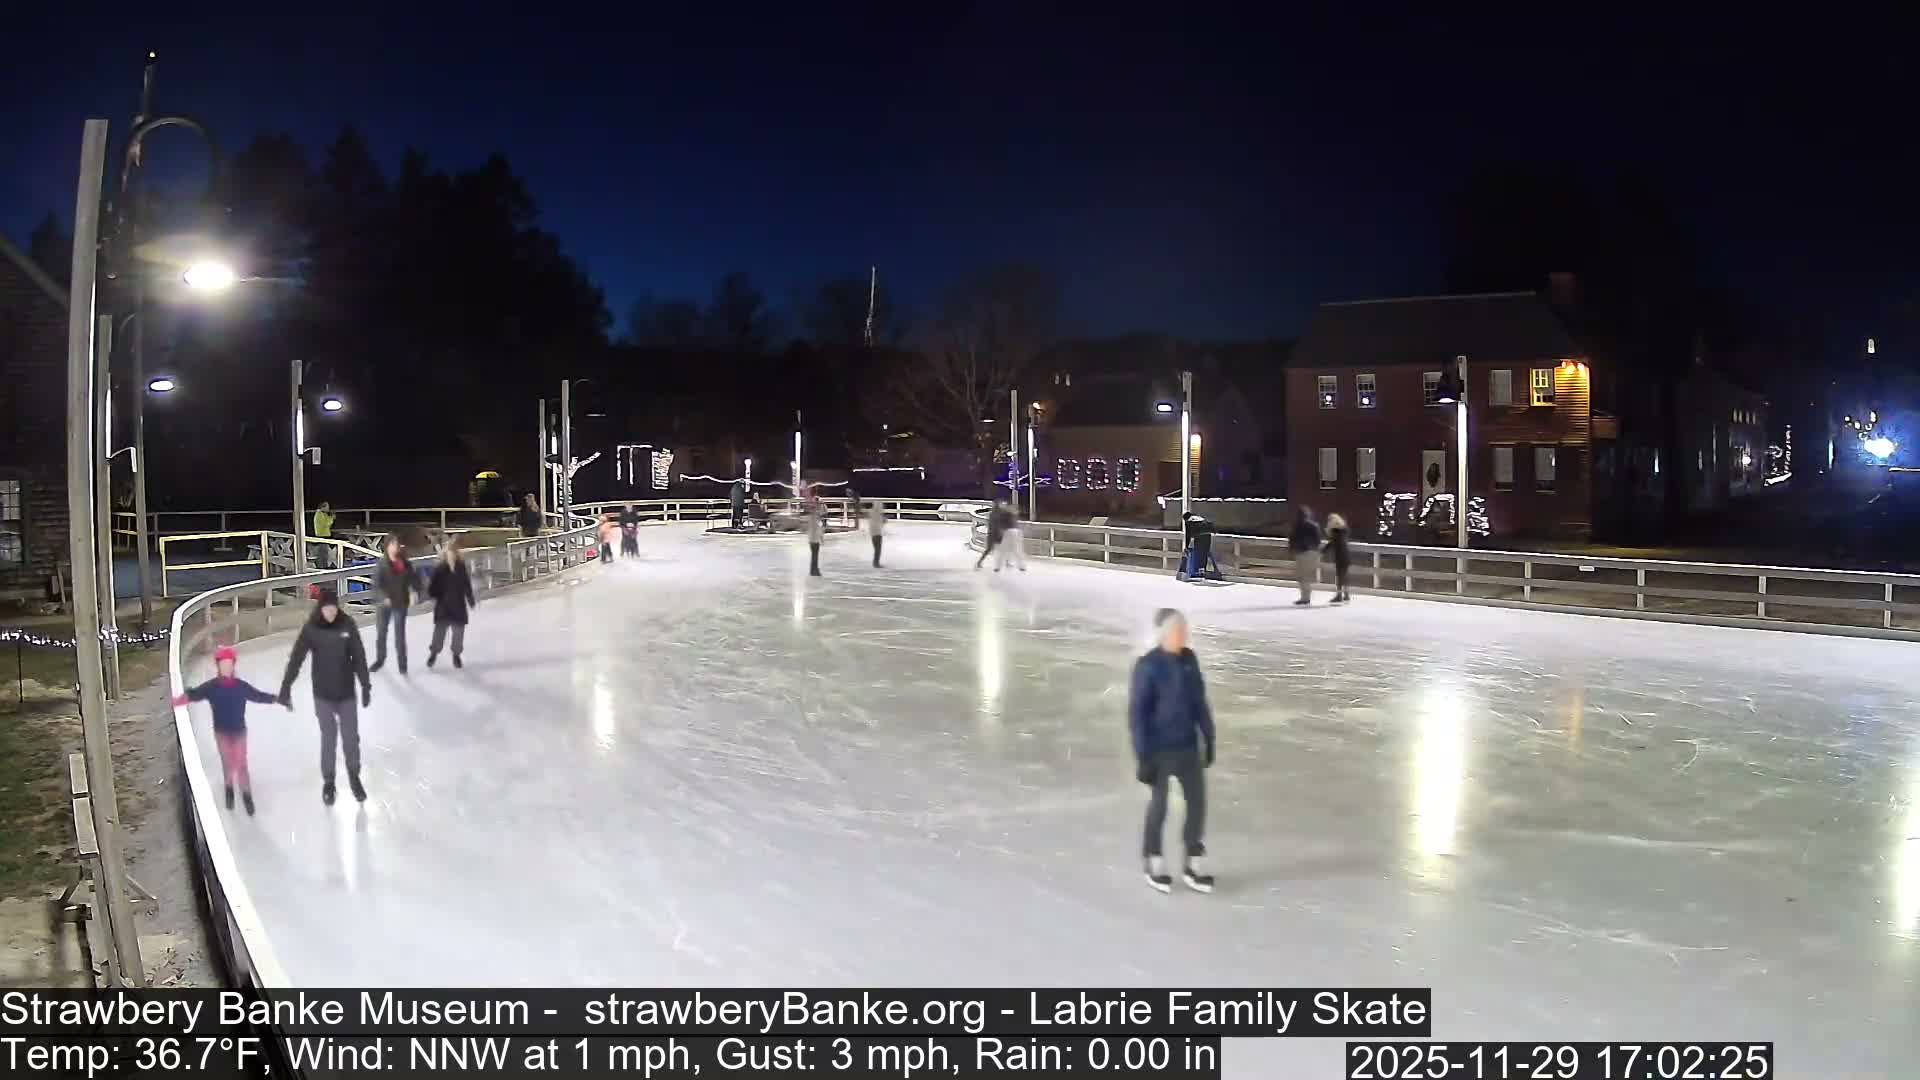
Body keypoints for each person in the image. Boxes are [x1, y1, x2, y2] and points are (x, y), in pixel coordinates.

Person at [1129, 608, 1215, 894]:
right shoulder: (1148, 666)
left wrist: (1209, 737)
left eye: (1185, 630)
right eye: (1179, 631)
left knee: (1197, 804)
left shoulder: (1189, 660)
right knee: (1160, 806)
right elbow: (1138, 715)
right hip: (1160, 750)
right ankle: (1153, 859)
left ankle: (1193, 861)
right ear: (1165, 635)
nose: (1184, 635)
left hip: (1187, 746)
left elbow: (1199, 702)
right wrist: (1143, 756)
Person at [278, 586, 372, 806]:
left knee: (351, 738)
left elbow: (359, 655)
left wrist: (365, 685)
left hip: (346, 692)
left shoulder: (347, 624)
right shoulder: (312, 628)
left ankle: (354, 777)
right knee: (328, 738)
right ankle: (329, 782)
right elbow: (297, 658)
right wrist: (286, 687)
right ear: (320, 608)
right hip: (323, 695)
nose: (330, 612)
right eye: (326, 608)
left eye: (333, 608)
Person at [174, 645, 288, 815]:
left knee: (241, 764)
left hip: (239, 732)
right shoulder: (211, 687)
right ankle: (229, 789)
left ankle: (246, 794)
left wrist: (277, 699)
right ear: (218, 666)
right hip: (221, 733)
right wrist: (178, 700)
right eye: (223, 664)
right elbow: (194, 694)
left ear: (233, 665)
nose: (226, 667)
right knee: (227, 763)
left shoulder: (241, 687)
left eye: (229, 664)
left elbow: (258, 696)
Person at [370, 535, 424, 674]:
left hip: (400, 603)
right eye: (392, 544)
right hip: (384, 605)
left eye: (397, 545)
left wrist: (414, 592)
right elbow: (376, 586)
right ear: (387, 547)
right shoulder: (381, 565)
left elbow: (416, 580)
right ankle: (380, 660)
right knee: (381, 633)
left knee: (400, 635)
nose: (395, 547)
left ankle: (402, 664)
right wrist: (384, 598)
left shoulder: (405, 563)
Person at [427, 544, 477, 669]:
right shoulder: (440, 569)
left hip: (458, 606)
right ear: (445, 555)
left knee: (458, 634)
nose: (451, 556)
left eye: (453, 553)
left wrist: (470, 599)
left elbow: (466, 584)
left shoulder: (461, 568)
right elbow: (432, 587)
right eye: (449, 554)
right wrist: (434, 594)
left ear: (456, 554)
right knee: (439, 634)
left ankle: (456, 655)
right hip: (443, 606)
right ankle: (434, 653)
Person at [1289, 505, 1323, 606]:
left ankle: (1305, 597)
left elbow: (1292, 539)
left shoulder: (1297, 526)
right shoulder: (1314, 526)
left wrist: (1292, 549)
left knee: (1302, 577)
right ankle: (1306, 597)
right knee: (1308, 576)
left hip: (1301, 552)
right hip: (1312, 552)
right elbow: (1318, 541)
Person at [1324, 512, 1352, 604]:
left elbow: (1331, 543)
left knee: (1339, 576)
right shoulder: (1344, 530)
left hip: (1340, 556)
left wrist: (1322, 551)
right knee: (1345, 575)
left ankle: (1339, 595)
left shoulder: (1335, 532)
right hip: (1346, 555)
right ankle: (1346, 594)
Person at [993, 501, 1028, 572]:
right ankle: (1021, 566)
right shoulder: (1011, 513)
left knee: (1003, 550)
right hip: (1015, 531)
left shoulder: (1005, 513)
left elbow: (1001, 524)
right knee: (1016, 549)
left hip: (1009, 532)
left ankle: (998, 567)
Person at [975, 504, 1005, 570]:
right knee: (996, 549)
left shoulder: (992, 515)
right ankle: (980, 562)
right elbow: (997, 526)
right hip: (994, 534)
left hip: (992, 534)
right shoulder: (997, 515)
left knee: (991, 549)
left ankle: (979, 562)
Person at [311, 502, 336, 568]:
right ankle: (321, 566)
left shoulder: (324, 514)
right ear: (323, 507)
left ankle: (324, 565)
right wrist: (332, 518)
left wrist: (331, 518)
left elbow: (328, 523)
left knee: (324, 552)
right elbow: (326, 524)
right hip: (321, 535)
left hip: (325, 534)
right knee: (322, 552)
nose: (328, 509)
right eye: (327, 507)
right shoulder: (319, 514)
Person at [806, 499, 826, 576]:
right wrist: (821, 539)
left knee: (814, 555)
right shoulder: (815, 517)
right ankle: (814, 570)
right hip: (814, 539)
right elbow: (817, 529)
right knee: (814, 555)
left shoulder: (813, 516)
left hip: (812, 539)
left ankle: (814, 569)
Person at [866, 500, 886, 567]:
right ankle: (876, 563)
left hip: (872, 532)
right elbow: (883, 522)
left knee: (876, 549)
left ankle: (875, 562)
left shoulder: (871, 512)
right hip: (877, 532)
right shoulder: (878, 514)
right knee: (878, 549)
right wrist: (883, 519)